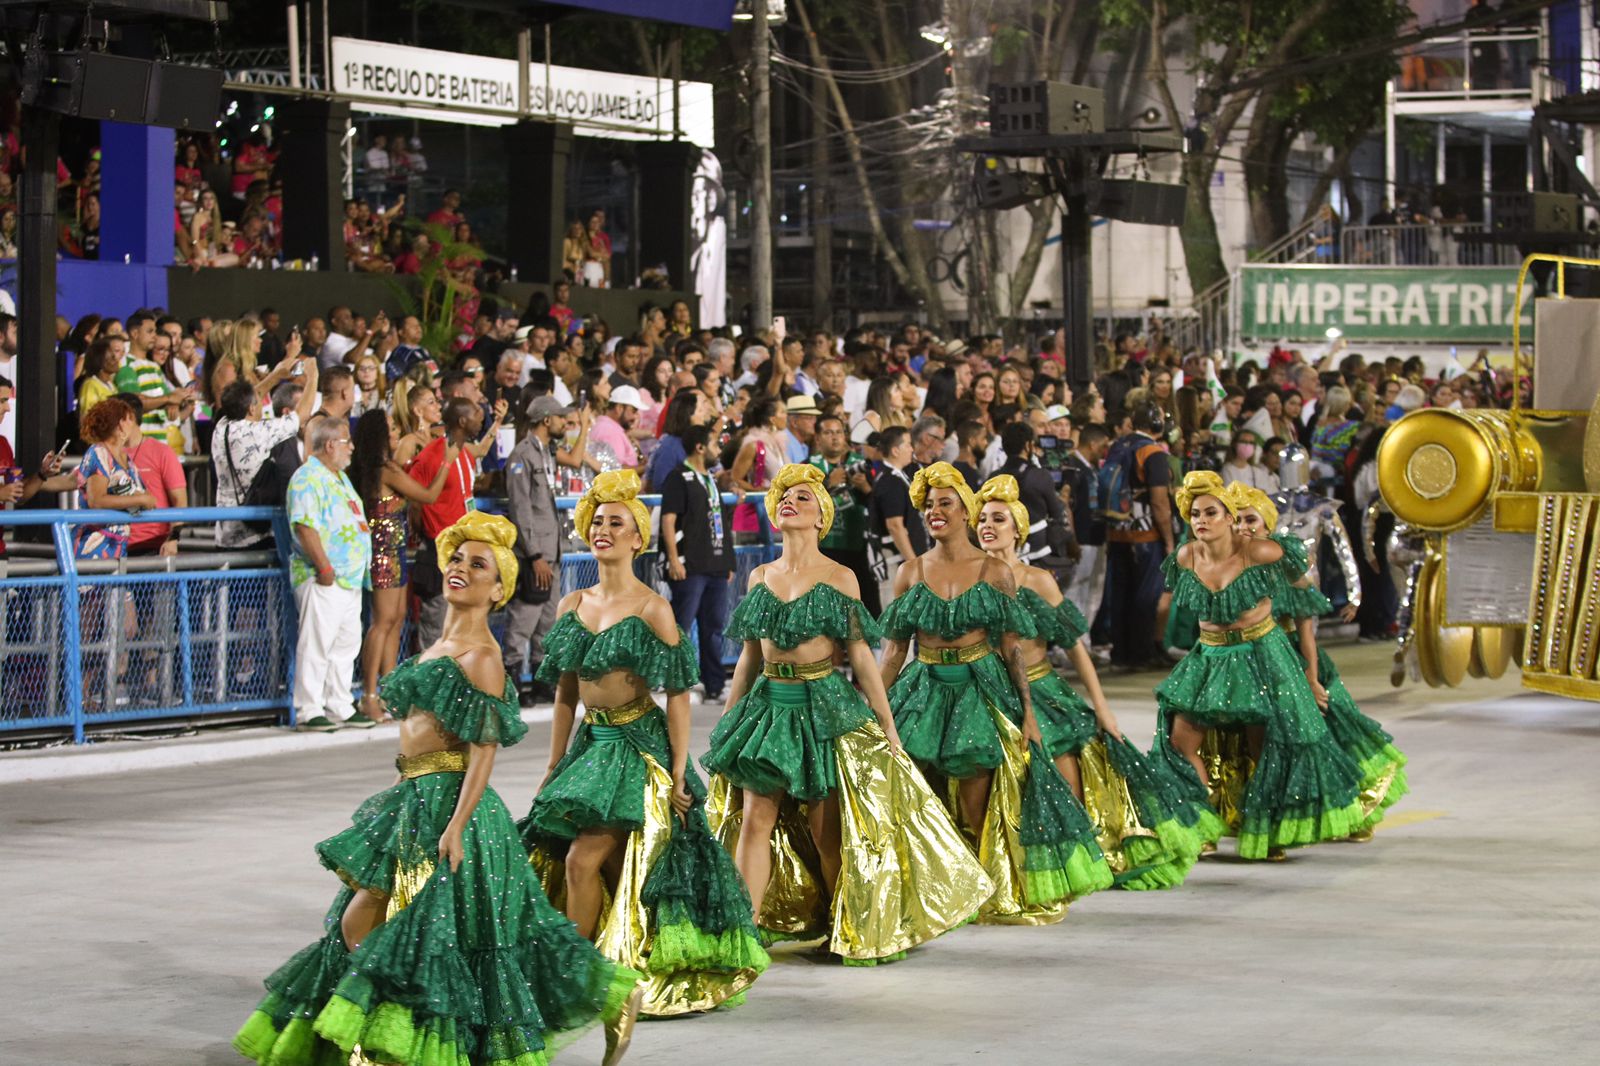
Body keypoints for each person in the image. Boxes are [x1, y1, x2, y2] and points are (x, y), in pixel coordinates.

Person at [234, 512, 644, 1066]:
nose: (460, 569)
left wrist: (455, 827)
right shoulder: (438, 643)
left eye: (479, 565)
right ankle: (385, 1039)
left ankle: (612, 993)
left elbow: (483, 749)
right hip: (413, 798)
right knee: (395, 928)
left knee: (452, 937)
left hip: (453, 810)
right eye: (456, 558)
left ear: (498, 589)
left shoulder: (483, 657)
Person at [701, 464, 993, 959]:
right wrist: (729, 719)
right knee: (755, 821)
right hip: (769, 709)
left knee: (827, 834)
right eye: (785, 497)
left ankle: (851, 927)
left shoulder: (841, 577)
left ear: (821, 520)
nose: (791, 503)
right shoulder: (760, 576)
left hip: (824, 710)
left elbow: (861, 654)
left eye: (804, 499)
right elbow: (750, 656)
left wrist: (887, 724)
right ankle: (743, 935)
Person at [520, 470, 768, 1017]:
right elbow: (565, 694)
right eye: (598, 522)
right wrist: (554, 762)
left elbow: (679, 694)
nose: (604, 530)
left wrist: (679, 770)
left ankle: (576, 979)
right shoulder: (571, 603)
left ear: (639, 539)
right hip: (592, 745)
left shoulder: (653, 608)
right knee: (605, 867)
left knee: (587, 862)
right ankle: (609, 962)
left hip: (637, 746)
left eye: (618, 523)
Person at [878, 463, 1112, 923]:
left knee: (977, 798)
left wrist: (1027, 712)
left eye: (945, 503)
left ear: (965, 510)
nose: (935, 511)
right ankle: (933, 891)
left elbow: (1012, 650)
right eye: (928, 505)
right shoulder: (910, 572)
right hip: (922, 690)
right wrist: (874, 711)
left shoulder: (993, 571)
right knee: (918, 795)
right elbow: (891, 654)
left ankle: (986, 885)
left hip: (978, 691)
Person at [974, 475, 1219, 888]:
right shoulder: (970, 581)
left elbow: (1075, 648)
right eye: (982, 519)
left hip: (1044, 690)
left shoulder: (1038, 580)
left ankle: (1077, 864)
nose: (987, 526)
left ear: (1017, 528)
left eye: (998, 519)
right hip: (992, 694)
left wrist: (1102, 708)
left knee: (1069, 780)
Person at [1149, 472, 1366, 860]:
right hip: (1210, 658)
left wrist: (1307, 670)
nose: (1201, 520)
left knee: (1263, 746)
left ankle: (1264, 832)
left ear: (1229, 517)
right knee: (1180, 742)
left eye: (1211, 512)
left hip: (1260, 655)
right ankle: (1203, 826)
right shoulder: (1186, 556)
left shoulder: (1260, 552)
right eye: (1195, 513)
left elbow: (1303, 587)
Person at [1229, 483, 1407, 842]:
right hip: (1256, 668)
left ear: (1267, 526)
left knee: (1328, 741)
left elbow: (1307, 635)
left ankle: (1354, 815)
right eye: (1238, 520)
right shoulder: (1233, 566)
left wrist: (1311, 681)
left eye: (1251, 519)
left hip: (1297, 663)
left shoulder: (1289, 571)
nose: (1244, 527)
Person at [348, 409, 457, 724]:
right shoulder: (383, 470)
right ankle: (369, 696)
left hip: (394, 551)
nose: (397, 433)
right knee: (382, 623)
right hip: (383, 553)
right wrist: (446, 461)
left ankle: (389, 691)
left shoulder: (384, 467)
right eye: (393, 429)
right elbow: (428, 495)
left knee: (395, 620)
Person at [283, 418, 373, 733]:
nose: (352, 447)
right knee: (318, 642)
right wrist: (323, 567)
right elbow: (305, 526)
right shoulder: (307, 477)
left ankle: (340, 703)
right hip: (323, 575)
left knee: (346, 643)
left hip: (348, 577)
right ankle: (309, 708)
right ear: (331, 444)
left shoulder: (338, 478)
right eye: (347, 441)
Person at [502, 395, 572, 704]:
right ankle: (512, 681)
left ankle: (543, 680)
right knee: (524, 617)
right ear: (546, 420)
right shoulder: (523, 454)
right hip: (535, 554)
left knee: (549, 620)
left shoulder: (547, 453)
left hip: (552, 550)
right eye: (560, 418)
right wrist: (534, 555)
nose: (563, 424)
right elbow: (521, 509)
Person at [659, 424, 736, 702]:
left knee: (714, 627)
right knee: (680, 624)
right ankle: (673, 678)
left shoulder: (709, 479)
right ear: (700, 447)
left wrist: (727, 560)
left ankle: (714, 683)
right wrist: (673, 559)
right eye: (714, 443)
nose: (718, 449)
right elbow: (668, 520)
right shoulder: (678, 477)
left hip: (714, 564)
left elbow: (717, 520)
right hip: (689, 565)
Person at [213, 358, 318, 550]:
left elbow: (249, 398)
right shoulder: (259, 432)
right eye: (258, 403)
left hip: (225, 532)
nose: (262, 404)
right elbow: (302, 414)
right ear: (252, 408)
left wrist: (276, 375)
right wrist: (312, 376)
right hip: (254, 535)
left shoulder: (221, 427)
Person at [408, 397, 484, 648]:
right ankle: (429, 683)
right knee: (437, 628)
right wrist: (428, 534)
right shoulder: (432, 455)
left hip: (465, 552)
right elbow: (415, 499)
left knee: (461, 627)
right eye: (475, 411)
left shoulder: (465, 453)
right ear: (462, 420)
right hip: (440, 553)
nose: (481, 415)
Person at [1103, 402, 1174, 669]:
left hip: (1117, 530)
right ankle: (1143, 653)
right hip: (1145, 534)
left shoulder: (1118, 446)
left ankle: (1120, 653)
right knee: (1146, 596)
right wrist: (1168, 540)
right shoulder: (1152, 452)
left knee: (1121, 594)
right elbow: (1159, 502)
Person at [807, 414, 877, 613]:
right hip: (823, 546)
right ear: (818, 438)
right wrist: (829, 483)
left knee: (858, 601)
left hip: (857, 545)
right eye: (828, 433)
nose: (835, 437)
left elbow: (878, 503)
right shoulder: (808, 466)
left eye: (839, 432)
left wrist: (865, 488)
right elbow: (802, 502)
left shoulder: (861, 464)